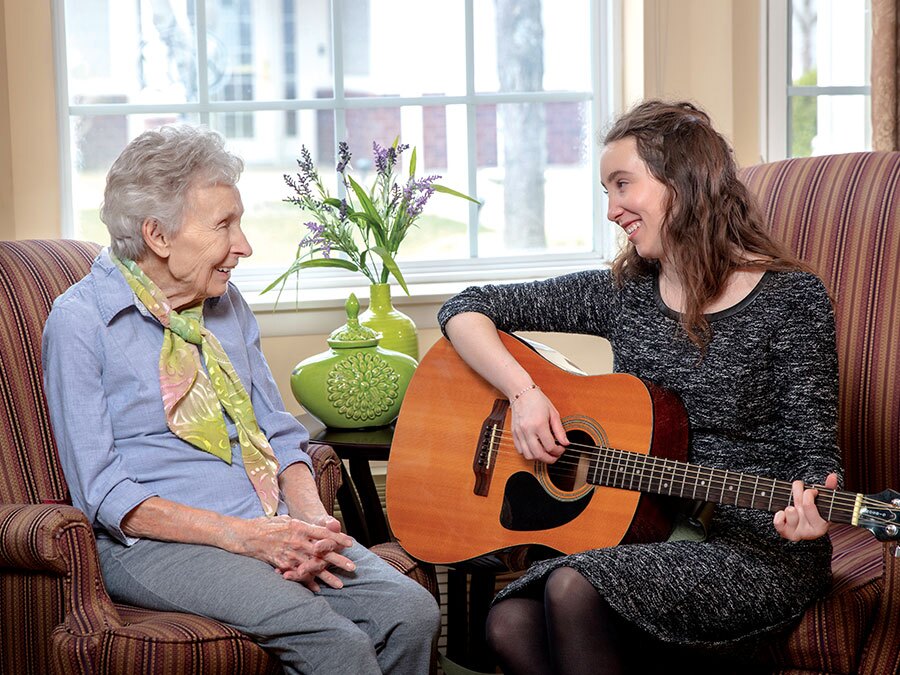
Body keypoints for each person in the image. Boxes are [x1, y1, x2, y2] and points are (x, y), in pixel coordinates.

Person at [438, 100, 841, 674]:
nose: (611, 209)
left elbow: (816, 452)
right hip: (651, 539)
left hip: (761, 553)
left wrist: (814, 512)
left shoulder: (791, 300)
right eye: (606, 190)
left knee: (572, 588)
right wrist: (524, 392)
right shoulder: (624, 293)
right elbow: (465, 308)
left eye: (622, 184)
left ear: (683, 180)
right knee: (508, 622)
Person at [42, 125, 440, 675]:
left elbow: (277, 430)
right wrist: (242, 536)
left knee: (410, 611)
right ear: (158, 236)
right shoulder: (80, 322)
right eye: (224, 225)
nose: (244, 246)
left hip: (266, 518)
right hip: (158, 546)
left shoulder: (226, 305)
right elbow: (102, 492)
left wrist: (312, 520)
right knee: (335, 643)